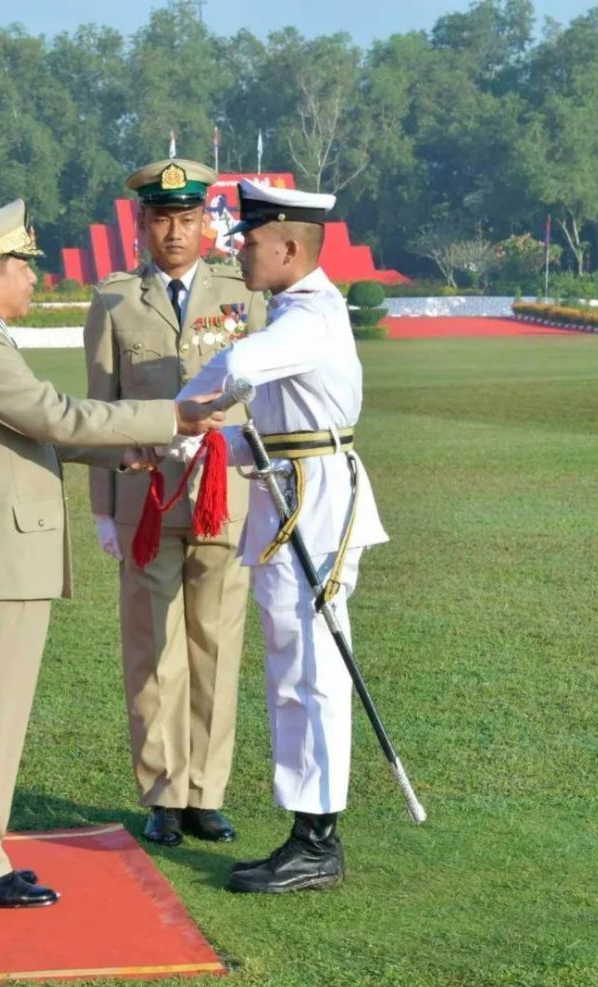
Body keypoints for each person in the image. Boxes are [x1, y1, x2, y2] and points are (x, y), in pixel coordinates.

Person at [0, 199, 224, 909]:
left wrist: (134, 449)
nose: (33, 278)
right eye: (24, 267)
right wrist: (167, 416)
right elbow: (55, 415)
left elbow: (43, 433)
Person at [175, 179, 390, 893]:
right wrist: (173, 435)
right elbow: (265, 433)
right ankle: (307, 827)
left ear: (290, 247)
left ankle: (318, 839)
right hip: (291, 495)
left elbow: (235, 369)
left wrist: (174, 416)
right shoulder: (294, 316)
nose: (238, 251)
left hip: (316, 510)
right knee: (293, 669)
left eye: (253, 240)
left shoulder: (311, 317)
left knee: (313, 672)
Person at [83, 159, 267, 847]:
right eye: (161, 219)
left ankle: (205, 795)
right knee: (152, 647)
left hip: (225, 493)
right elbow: (100, 410)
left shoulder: (241, 293)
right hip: (145, 495)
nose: (175, 233)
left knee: (215, 642)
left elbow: (262, 395)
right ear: (141, 224)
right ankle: (163, 791)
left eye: (187, 219)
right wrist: (103, 507)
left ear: (205, 223)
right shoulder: (115, 302)